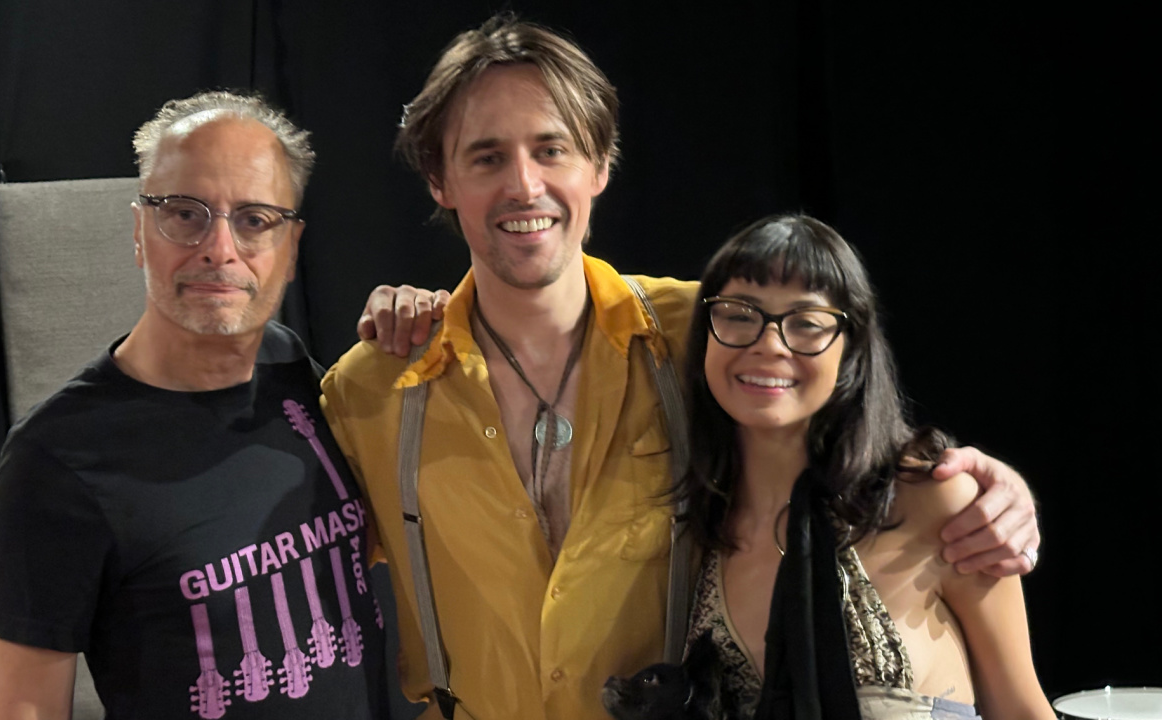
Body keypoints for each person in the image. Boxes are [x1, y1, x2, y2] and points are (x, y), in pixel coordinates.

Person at [329, 15, 1041, 720]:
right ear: (438, 180)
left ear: (601, 165)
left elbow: (854, 432)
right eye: (486, 157)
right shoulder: (374, 387)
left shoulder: (706, 332)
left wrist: (984, 483)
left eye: (552, 150)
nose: (524, 184)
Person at [0, 91, 390, 720]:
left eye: (254, 219)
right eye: (185, 213)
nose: (219, 249)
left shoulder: (292, 368)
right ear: (140, 231)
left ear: (291, 248)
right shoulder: (58, 457)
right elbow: (22, 709)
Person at [672, 215, 1053, 718]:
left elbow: (1023, 710)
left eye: (806, 323)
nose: (769, 344)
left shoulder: (936, 503)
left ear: (850, 348)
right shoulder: (690, 537)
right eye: (740, 315)